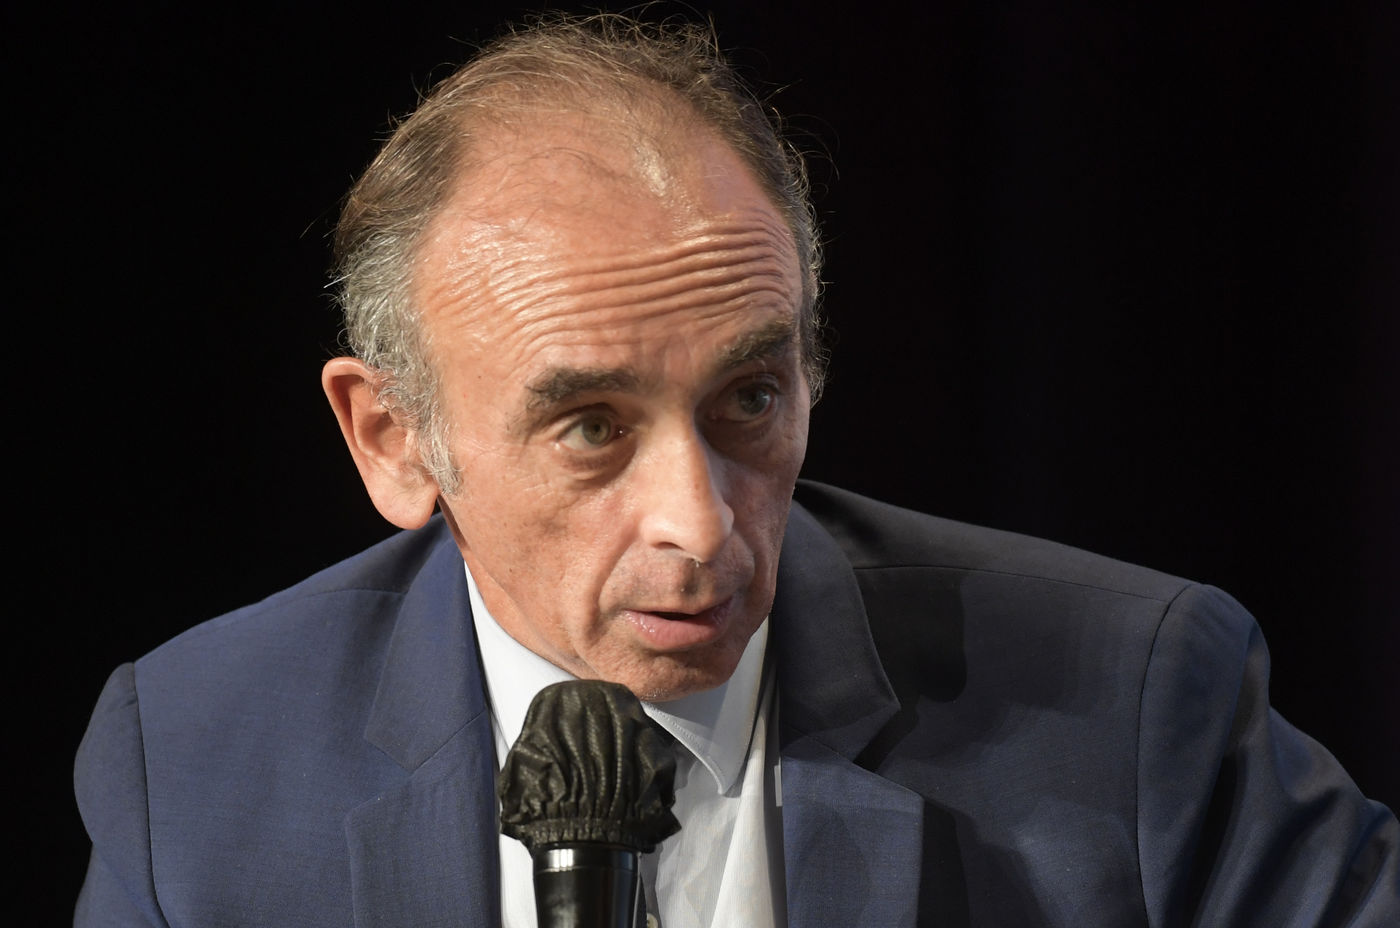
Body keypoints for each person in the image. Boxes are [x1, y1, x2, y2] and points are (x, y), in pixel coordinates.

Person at [73, 14, 1398, 927]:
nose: (700, 526)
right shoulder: (195, 763)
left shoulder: (1133, 704)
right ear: (393, 440)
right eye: (591, 426)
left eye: (749, 400)